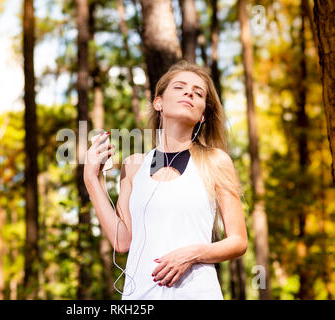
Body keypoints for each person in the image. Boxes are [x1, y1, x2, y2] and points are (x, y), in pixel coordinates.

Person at [83, 60, 248, 299]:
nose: (189, 92)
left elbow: (238, 241)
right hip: (138, 296)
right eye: (180, 87)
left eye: (198, 93)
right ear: (158, 102)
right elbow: (122, 241)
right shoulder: (133, 165)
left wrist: (193, 253)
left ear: (202, 115)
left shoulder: (216, 161)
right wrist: (91, 179)